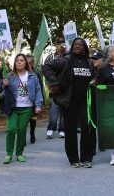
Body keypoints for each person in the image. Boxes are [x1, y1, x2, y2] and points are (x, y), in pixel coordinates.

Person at [42, 38, 95, 168]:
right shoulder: (65, 59)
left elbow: (94, 75)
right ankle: (74, 159)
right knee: (70, 129)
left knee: (87, 129)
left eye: (80, 45)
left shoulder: (88, 62)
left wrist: (95, 80)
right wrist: (55, 83)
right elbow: (46, 67)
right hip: (69, 100)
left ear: (84, 48)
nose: (77, 47)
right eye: (75, 45)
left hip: (85, 101)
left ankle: (86, 158)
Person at [0, 54, 43, 164]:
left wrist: (39, 105)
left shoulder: (33, 76)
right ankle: (9, 154)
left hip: (27, 108)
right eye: (17, 61)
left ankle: (19, 153)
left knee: (22, 131)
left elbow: (38, 91)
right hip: (12, 108)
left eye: (21, 60)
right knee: (11, 129)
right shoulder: (10, 76)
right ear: (15, 63)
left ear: (26, 63)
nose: (19, 62)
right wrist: (3, 85)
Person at [44, 37, 66, 139]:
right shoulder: (50, 57)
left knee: (64, 110)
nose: (61, 45)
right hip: (54, 88)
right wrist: (52, 81)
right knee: (53, 108)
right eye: (58, 43)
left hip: (66, 88)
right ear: (55, 45)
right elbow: (46, 70)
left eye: (62, 43)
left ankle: (62, 129)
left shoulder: (68, 56)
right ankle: (51, 128)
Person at [25, 54, 44, 144]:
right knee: (23, 121)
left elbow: (40, 89)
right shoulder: (19, 73)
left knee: (33, 119)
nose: (29, 65)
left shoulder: (36, 75)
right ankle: (22, 136)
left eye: (30, 63)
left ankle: (32, 133)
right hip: (23, 102)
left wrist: (40, 103)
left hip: (32, 101)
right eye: (27, 62)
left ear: (32, 64)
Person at [89, 50, 104, 156]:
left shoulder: (105, 70)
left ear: (102, 59)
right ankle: (93, 147)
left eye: (96, 59)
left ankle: (103, 144)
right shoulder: (89, 71)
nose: (93, 61)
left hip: (104, 101)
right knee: (92, 125)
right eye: (92, 59)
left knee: (103, 124)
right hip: (93, 101)